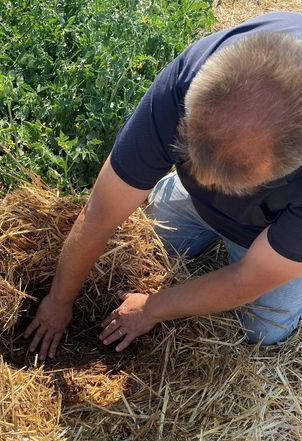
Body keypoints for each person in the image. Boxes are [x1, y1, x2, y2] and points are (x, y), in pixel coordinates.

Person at [23, 11, 302, 360]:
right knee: (149, 250)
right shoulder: (190, 77)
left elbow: (243, 281)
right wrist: (58, 300)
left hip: (274, 227)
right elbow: (98, 215)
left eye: (231, 182)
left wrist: (151, 309)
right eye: (192, 156)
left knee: (263, 328)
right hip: (212, 181)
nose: (207, 183)